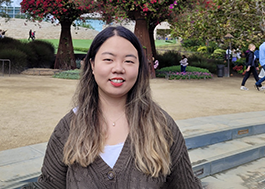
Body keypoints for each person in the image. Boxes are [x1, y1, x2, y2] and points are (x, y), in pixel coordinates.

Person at [22, 26, 202, 188]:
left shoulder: (162, 126)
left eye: (129, 61)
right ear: (92, 65)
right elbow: (49, 185)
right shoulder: (68, 128)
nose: (118, 68)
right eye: (108, 59)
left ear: (139, 68)